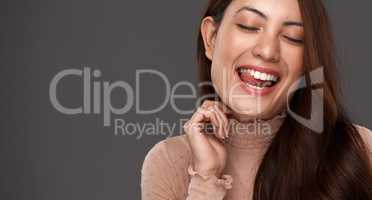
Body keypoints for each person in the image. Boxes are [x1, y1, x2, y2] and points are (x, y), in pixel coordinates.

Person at [141, 0, 372, 199]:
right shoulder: (168, 163)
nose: (268, 50)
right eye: (249, 26)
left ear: (306, 62)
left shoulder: (362, 151)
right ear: (211, 38)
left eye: (293, 38)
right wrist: (205, 180)